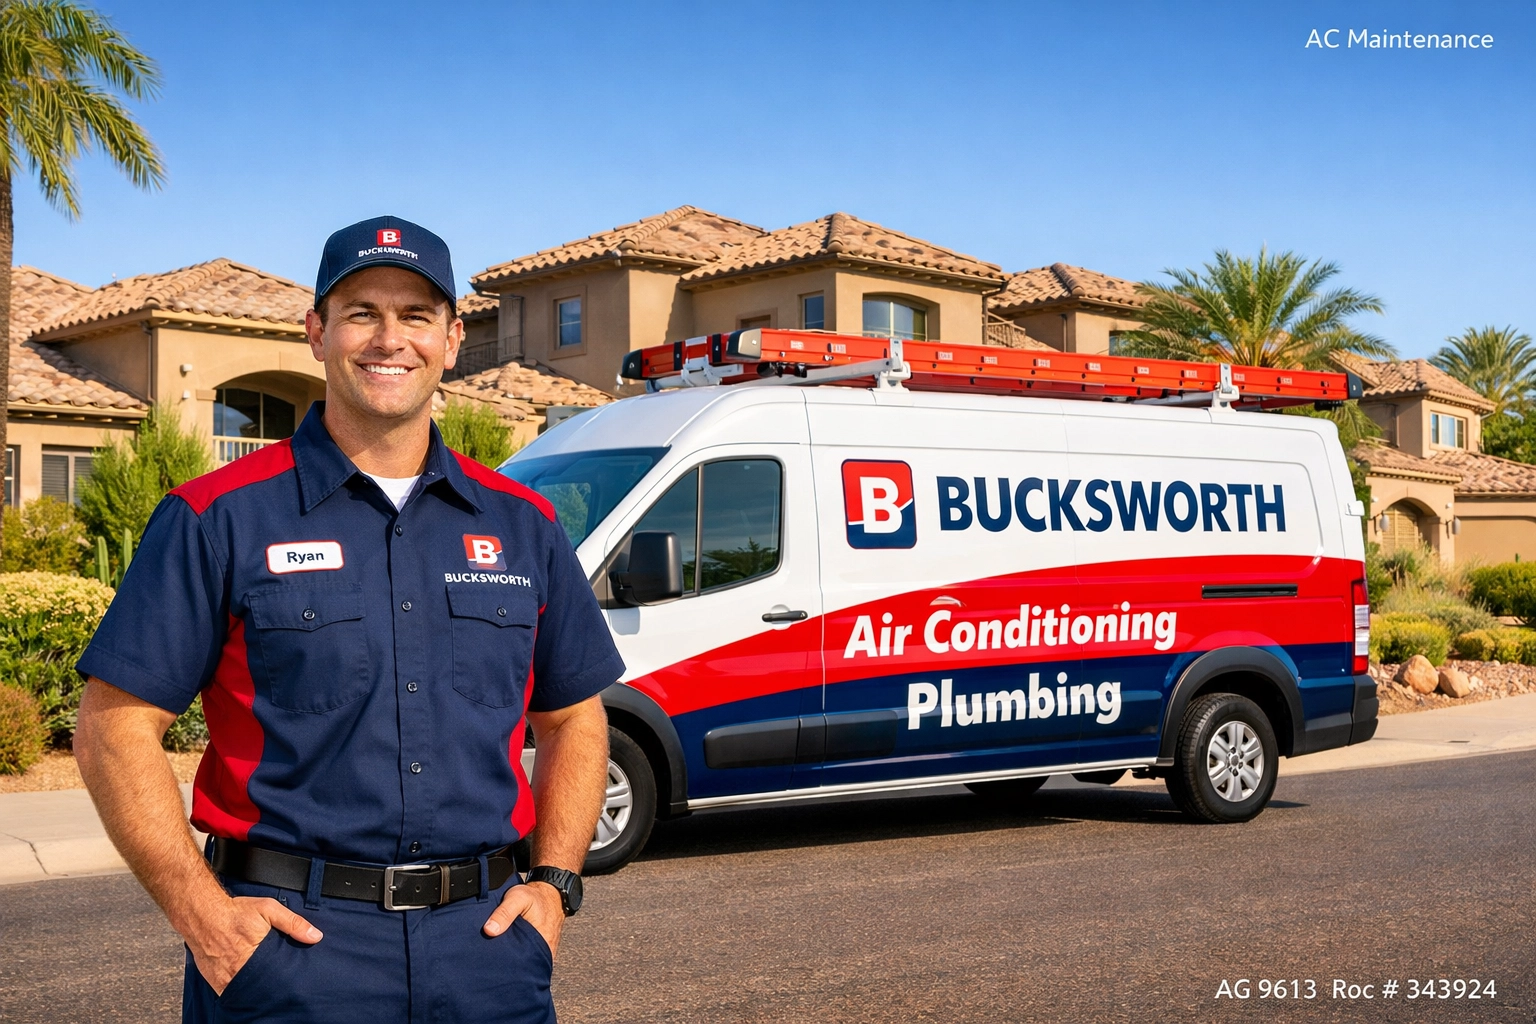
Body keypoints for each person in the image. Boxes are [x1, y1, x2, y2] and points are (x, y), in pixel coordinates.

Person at [73, 215, 622, 1023]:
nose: (388, 338)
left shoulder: (522, 523)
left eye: (416, 316)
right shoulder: (216, 517)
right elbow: (113, 728)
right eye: (362, 311)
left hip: (488, 955)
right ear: (317, 332)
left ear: (452, 338)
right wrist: (205, 919)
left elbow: (575, 718)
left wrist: (555, 885)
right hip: (292, 958)